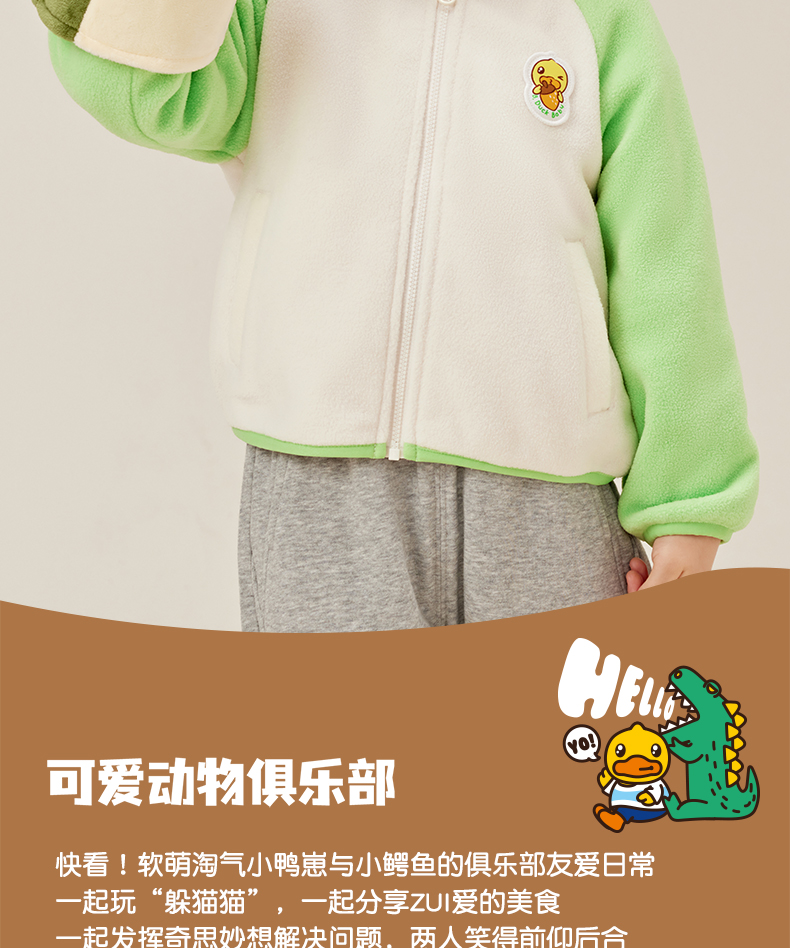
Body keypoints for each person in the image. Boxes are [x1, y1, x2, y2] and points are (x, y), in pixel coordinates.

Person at [32, 0, 758, 631]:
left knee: (538, 750)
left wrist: (690, 508)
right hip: (320, 491)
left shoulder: (599, 20)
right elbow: (150, 88)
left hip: (546, 504)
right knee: (341, 743)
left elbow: (668, 266)